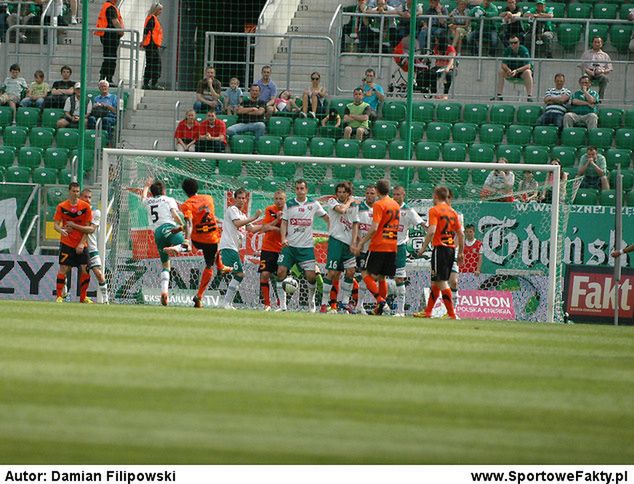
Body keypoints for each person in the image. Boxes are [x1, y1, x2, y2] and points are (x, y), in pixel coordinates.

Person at [276, 179, 329, 313]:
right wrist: (283, 238)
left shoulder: (314, 204)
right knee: (281, 272)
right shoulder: (289, 204)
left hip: (306, 248)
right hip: (290, 246)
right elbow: (284, 222)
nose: (300, 191)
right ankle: (282, 306)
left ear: (306, 190)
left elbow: (326, 217)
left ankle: (311, 302)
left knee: (311, 276)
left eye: (302, 188)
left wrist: (333, 230)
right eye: (297, 188)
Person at [414, 186, 464, 319]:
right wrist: (461, 252)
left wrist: (423, 248)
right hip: (451, 249)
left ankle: (452, 314)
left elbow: (431, 231)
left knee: (441, 282)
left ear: (435, 196)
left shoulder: (434, 210)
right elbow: (460, 234)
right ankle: (428, 311)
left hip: (440, 249)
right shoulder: (453, 212)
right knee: (435, 282)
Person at [352, 179, 400, 316]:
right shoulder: (395, 204)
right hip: (392, 245)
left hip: (379, 244)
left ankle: (381, 301)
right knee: (382, 277)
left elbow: (374, 228)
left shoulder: (379, 204)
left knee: (365, 273)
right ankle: (380, 309)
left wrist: (361, 242)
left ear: (377, 191)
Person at [142, 179, 187, 306]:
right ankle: (175, 249)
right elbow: (174, 215)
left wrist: (146, 186)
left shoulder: (149, 202)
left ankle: (164, 291)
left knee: (165, 265)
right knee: (187, 246)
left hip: (157, 233)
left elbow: (143, 197)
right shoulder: (169, 199)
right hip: (169, 228)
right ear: (163, 191)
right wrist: (182, 225)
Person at [179, 178, 220, 309]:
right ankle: (199, 295)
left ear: (185, 192)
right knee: (209, 265)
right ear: (197, 188)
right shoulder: (209, 198)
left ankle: (181, 247)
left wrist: (187, 238)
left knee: (211, 252)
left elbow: (189, 222)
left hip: (197, 240)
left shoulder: (187, 204)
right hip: (212, 239)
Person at [218, 189, 262, 310]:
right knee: (239, 274)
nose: (242, 200)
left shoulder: (242, 215)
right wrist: (255, 217)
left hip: (233, 249)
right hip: (228, 247)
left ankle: (226, 303)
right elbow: (237, 224)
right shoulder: (232, 210)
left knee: (235, 274)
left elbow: (252, 229)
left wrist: (270, 225)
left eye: (244, 198)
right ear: (234, 198)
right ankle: (226, 303)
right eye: (239, 198)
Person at [320, 181, 359, 314]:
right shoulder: (332, 201)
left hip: (348, 244)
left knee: (351, 271)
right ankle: (324, 304)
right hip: (336, 241)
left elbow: (355, 225)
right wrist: (350, 201)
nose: (341, 194)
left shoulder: (354, 207)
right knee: (332, 273)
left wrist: (354, 242)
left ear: (348, 193)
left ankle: (345, 302)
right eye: (339, 192)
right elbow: (341, 210)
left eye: (344, 192)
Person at [53, 182, 93, 304]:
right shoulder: (62, 206)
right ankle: (59, 296)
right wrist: (61, 230)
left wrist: (81, 243)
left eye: (77, 191)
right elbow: (56, 224)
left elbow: (87, 229)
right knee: (63, 269)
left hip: (81, 244)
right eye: (73, 191)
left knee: (85, 269)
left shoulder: (85, 207)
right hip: (67, 243)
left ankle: (83, 297)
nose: (75, 193)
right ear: (69, 191)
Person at [68, 188, 109, 304]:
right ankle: (65, 295)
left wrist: (74, 226)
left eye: (90, 197)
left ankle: (105, 299)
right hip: (74, 246)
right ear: (80, 198)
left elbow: (90, 230)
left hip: (90, 248)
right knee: (65, 270)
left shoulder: (95, 212)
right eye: (85, 197)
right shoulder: (74, 212)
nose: (88, 199)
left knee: (98, 273)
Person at [392, 185, 424, 317]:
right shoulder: (388, 207)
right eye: (394, 194)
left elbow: (422, 224)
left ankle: (400, 310)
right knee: (378, 277)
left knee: (399, 278)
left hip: (399, 246)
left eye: (398, 194)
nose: (396, 197)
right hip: (385, 246)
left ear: (403, 195)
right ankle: (380, 306)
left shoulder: (408, 210)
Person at [258, 190, 286, 311]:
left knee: (281, 276)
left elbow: (288, 230)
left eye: (281, 199)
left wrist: (273, 228)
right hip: (268, 247)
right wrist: (277, 221)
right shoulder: (270, 209)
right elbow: (264, 228)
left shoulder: (289, 210)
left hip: (283, 248)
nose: (278, 201)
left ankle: (281, 304)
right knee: (264, 275)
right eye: (276, 198)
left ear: (285, 200)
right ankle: (267, 304)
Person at [353, 185, 377, 315]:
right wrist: (358, 241)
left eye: (372, 193)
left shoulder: (380, 208)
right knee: (363, 275)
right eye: (367, 193)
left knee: (373, 277)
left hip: (374, 249)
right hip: (361, 249)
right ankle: (358, 305)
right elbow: (354, 225)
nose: (369, 195)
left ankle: (378, 303)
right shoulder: (359, 207)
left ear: (376, 194)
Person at [491, 35, 533, 101]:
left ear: (519, 42)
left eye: (515, 42)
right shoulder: (507, 50)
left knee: (528, 72)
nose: (513, 44)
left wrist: (516, 71)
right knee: (501, 71)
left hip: (521, 73)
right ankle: (499, 95)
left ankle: (529, 97)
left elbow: (528, 66)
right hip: (510, 72)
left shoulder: (523, 50)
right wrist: (508, 70)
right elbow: (503, 64)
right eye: (511, 43)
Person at [95, 0, 124, 86]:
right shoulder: (110, 7)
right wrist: (121, 31)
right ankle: (108, 79)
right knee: (111, 59)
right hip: (110, 37)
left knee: (108, 58)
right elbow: (115, 21)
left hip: (107, 35)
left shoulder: (107, 6)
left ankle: (104, 78)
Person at [142, 2, 164, 90]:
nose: (161, 12)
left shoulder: (152, 18)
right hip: (152, 45)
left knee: (150, 64)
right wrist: (143, 41)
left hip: (151, 45)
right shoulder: (152, 19)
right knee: (156, 64)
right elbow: (146, 31)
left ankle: (147, 83)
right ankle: (153, 83)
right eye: (160, 9)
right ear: (155, 9)